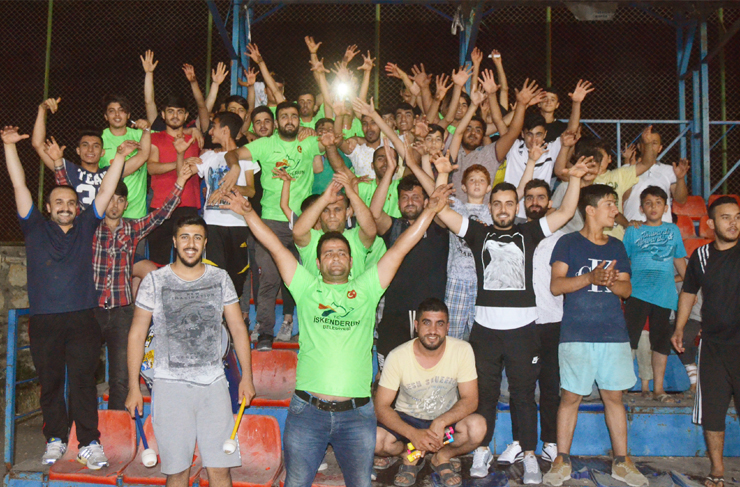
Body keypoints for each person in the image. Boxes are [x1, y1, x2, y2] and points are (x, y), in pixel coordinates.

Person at [220, 181, 453, 487]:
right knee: (296, 483)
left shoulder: (367, 288)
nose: (335, 257)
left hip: (357, 415)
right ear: (317, 263)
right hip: (308, 412)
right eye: (328, 253)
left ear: (351, 261)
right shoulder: (305, 287)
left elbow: (400, 248)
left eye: (342, 253)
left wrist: (430, 211)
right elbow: (275, 246)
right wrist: (249, 213)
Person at [433, 156, 590, 483]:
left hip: (523, 330)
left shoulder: (529, 232)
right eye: (497, 203)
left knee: (523, 395)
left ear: (516, 206)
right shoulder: (478, 233)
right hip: (485, 331)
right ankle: (481, 450)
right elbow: (443, 212)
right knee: (484, 395)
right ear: (490, 207)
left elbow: (564, 212)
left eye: (508, 203)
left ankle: (529, 455)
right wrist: (443, 174)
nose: (503, 209)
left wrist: (574, 178)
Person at [3, 125, 128, 468]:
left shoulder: (86, 227)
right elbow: (19, 184)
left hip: (82, 317)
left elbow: (105, 190)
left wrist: (119, 157)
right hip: (45, 320)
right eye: (59, 202)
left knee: (84, 382)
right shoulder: (34, 228)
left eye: (71, 203)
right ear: (47, 206)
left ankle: (88, 442)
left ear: (77, 208)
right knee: (50, 382)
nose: (65, 207)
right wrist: (9, 146)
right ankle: (56, 439)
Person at [125, 215, 255, 487]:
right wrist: (133, 387)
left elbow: (237, 328)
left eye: (197, 237)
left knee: (221, 471)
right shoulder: (155, 281)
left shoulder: (220, 278)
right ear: (174, 241)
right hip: (169, 387)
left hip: (214, 386)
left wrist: (247, 377)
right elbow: (137, 334)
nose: (191, 244)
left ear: (205, 243)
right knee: (177, 472)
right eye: (184, 237)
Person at [544, 184, 647, 487]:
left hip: (613, 334)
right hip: (576, 333)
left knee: (614, 397)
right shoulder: (568, 243)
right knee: (570, 397)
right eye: (610, 204)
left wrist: (611, 282)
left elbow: (626, 290)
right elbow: (556, 286)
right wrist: (590, 277)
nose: (615, 210)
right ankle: (562, 460)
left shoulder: (616, 246)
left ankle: (622, 462)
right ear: (590, 210)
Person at [91, 156, 196, 411]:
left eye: (120, 200)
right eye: (110, 199)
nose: (115, 205)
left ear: (126, 204)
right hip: (91, 310)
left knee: (121, 378)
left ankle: (118, 427)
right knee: (83, 373)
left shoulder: (132, 228)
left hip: (122, 311)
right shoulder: (89, 229)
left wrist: (181, 181)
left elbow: (162, 214)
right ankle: (80, 427)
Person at [224, 101, 331, 350]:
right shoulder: (265, 144)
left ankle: (311, 332)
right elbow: (232, 153)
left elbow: (329, 142)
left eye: (294, 116)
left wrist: (324, 138)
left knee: (309, 278)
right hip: (271, 221)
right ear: (276, 121)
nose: (289, 120)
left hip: (302, 221)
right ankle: (265, 333)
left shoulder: (308, 142)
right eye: (284, 116)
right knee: (269, 278)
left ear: (299, 120)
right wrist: (235, 165)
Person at [374, 298, 486, 487]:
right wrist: (413, 434)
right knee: (375, 440)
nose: (433, 331)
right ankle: (408, 454)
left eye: (439, 324)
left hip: (446, 427)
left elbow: (471, 399)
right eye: (427, 323)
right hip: (408, 421)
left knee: (477, 427)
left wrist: (441, 422)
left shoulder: (462, 350)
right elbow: (381, 406)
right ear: (416, 326)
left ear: (447, 327)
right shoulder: (398, 356)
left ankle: (442, 456)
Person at [671, 196, 740, 487]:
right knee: (712, 415)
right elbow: (688, 292)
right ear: (710, 223)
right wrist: (679, 328)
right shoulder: (701, 256)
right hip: (712, 347)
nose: (734, 223)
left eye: (737, 217)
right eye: (726, 217)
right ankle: (717, 472)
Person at [499, 178, 565, 466]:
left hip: (552, 321)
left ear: (549, 202)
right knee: (520, 388)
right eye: (529, 197)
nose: (535, 202)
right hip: (520, 322)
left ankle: (550, 442)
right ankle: (519, 442)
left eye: (540, 197)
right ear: (522, 203)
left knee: (550, 386)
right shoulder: (513, 235)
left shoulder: (562, 239)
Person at [371, 163, 449, 365]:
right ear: (398, 203)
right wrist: (389, 171)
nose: (410, 202)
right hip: (394, 311)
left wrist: (414, 164)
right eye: (404, 198)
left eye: (415, 197)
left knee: (425, 372)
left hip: (428, 315)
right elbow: (375, 213)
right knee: (389, 371)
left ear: (426, 201)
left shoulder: (438, 225)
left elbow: (439, 200)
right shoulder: (394, 227)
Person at [623, 186, 687, 402]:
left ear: (666, 208)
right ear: (641, 208)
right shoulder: (633, 230)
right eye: (648, 203)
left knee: (660, 342)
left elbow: (680, 262)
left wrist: (686, 286)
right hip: (637, 293)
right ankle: (620, 387)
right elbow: (623, 262)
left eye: (658, 203)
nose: (653, 207)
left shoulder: (673, 230)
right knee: (629, 340)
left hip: (664, 295)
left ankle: (659, 389)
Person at [32, 97, 151, 210]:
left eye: (96, 146)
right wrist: (42, 110)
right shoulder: (69, 171)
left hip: (103, 224)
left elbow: (143, 155)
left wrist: (146, 130)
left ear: (102, 152)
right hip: (75, 224)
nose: (90, 150)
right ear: (78, 150)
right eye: (85, 145)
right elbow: (38, 144)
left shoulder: (110, 174)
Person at [503, 80, 592, 218]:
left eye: (538, 135)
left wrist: (576, 103)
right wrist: (522, 104)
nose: (534, 139)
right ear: (523, 134)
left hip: (537, 212)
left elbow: (571, 131)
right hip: (510, 212)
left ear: (545, 135)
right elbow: (506, 127)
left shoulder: (550, 149)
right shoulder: (514, 147)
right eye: (529, 134)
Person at [195, 111, 260, 297]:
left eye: (213, 127)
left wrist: (228, 189)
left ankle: (233, 311)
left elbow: (251, 191)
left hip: (238, 223)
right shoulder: (208, 156)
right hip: (212, 224)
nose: (210, 132)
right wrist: (183, 153)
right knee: (213, 274)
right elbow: (184, 172)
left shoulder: (246, 157)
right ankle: (216, 313)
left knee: (236, 277)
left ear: (225, 130)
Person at [147, 95, 203, 265]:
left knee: (189, 258)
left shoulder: (195, 139)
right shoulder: (155, 138)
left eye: (179, 112)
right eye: (170, 111)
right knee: (158, 260)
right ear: (163, 115)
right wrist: (180, 162)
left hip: (188, 204)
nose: (175, 116)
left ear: (186, 116)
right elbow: (152, 167)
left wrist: (193, 130)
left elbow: (204, 108)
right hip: (161, 204)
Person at [293, 175, 377, 279]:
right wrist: (324, 199)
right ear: (319, 214)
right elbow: (297, 232)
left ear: (347, 213)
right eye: (325, 210)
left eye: (337, 209)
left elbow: (371, 230)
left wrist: (351, 194)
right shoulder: (311, 239)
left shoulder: (356, 238)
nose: (332, 215)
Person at [100, 94, 151, 219]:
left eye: (121, 111)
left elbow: (169, 136)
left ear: (128, 115)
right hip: (107, 212)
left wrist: (192, 130)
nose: (117, 115)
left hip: (136, 213)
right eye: (112, 111)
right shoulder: (98, 140)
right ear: (106, 116)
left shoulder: (142, 135)